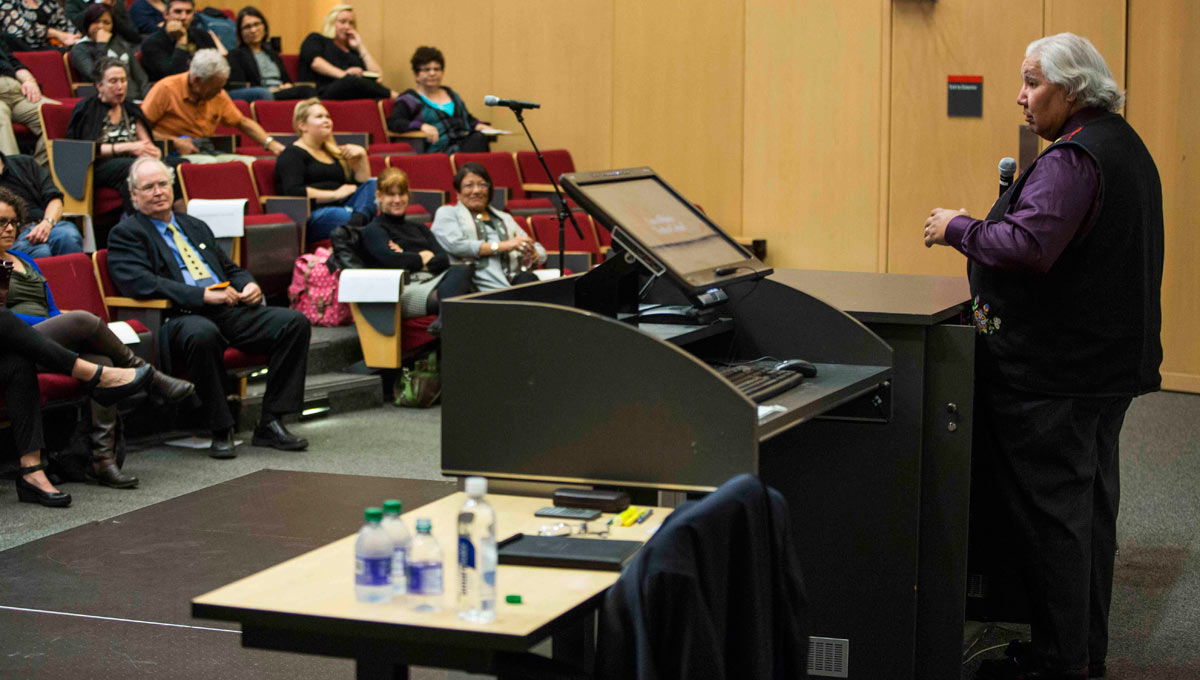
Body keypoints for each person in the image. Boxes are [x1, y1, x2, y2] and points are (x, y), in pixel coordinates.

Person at [922, 33, 1163, 680]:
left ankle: (1061, 662)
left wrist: (959, 229)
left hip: (1056, 377)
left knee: (1053, 525)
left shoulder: (1072, 160)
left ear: (1073, 86)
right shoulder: (1125, 147)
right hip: (1104, 371)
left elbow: (1028, 246)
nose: (1021, 97)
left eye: (1032, 82)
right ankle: (1081, 654)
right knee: (1087, 519)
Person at [106, 157, 312, 458]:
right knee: (203, 333)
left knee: (294, 323)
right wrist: (200, 296)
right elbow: (139, 283)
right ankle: (219, 426)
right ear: (134, 196)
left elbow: (230, 269)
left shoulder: (193, 225)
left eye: (163, 184)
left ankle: (271, 421)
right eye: (148, 187)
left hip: (226, 308)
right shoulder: (127, 233)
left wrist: (248, 284)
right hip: (178, 316)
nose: (158, 192)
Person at [1, 187, 195, 490]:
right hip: (17, 346)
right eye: (1, 222)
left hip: (47, 340)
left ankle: (101, 461)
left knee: (101, 359)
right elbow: (5, 320)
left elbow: (50, 307)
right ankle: (151, 377)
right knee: (82, 319)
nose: (9, 229)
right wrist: (60, 324)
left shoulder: (25, 259)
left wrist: (58, 323)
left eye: (13, 222)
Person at [66, 57, 186, 218]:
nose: (120, 87)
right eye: (113, 81)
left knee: (177, 165)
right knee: (130, 167)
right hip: (98, 166)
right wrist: (129, 147)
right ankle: (139, 222)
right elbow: (84, 149)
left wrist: (153, 153)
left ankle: (182, 219)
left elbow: (146, 144)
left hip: (132, 161)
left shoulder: (130, 108)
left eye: (123, 81)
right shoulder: (88, 109)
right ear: (99, 85)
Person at [360, 167, 474, 333]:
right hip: (405, 289)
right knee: (466, 297)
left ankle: (444, 320)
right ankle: (446, 321)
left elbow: (442, 259)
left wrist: (407, 257)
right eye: (391, 195)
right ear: (379, 197)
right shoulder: (374, 229)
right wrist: (422, 257)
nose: (397, 200)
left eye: (402, 194)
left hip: (436, 282)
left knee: (462, 270)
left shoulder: (419, 227)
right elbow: (391, 261)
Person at [141, 49, 285, 164]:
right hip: (172, 154)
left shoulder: (218, 94)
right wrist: (174, 141)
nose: (219, 92)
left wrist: (271, 144)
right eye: (215, 88)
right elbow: (140, 128)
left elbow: (242, 122)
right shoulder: (166, 88)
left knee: (249, 164)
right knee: (210, 164)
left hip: (205, 150)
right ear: (197, 81)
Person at [275, 98, 374, 244]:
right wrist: (334, 195)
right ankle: (360, 224)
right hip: (314, 214)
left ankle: (356, 223)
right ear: (302, 125)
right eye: (319, 117)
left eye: (328, 116)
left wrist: (362, 156)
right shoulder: (292, 154)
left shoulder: (332, 153)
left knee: (375, 183)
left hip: (347, 208)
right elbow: (294, 191)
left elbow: (361, 185)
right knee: (340, 214)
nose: (326, 120)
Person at [432, 162, 545, 291]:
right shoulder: (448, 213)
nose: (477, 191)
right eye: (469, 185)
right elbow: (456, 245)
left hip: (512, 280)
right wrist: (503, 245)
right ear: (458, 192)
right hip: (471, 285)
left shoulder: (504, 218)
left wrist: (533, 253)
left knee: (531, 281)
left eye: (482, 185)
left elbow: (538, 249)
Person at [387, 46, 490, 155]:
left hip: (465, 142)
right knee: (478, 141)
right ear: (416, 75)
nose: (432, 73)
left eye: (437, 69)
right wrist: (421, 126)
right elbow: (394, 122)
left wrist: (478, 125)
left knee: (480, 138)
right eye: (427, 70)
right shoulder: (410, 98)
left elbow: (467, 119)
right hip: (438, 150)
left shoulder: (451, 94)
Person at [297, 4, 396, 101]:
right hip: (323, 90)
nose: (347, 27)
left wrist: (360, 47)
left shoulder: (353, 50)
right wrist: (345, 75)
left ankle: (403, 97)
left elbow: (378, 76)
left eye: (351, 23)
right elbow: (316, 63)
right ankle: (395, 96)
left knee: (355, 83)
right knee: (350, 81)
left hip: (353, 91)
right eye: (342, 22)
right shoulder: (317, 39)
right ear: (331, 22)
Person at [0, 151, 83, 257]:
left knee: (68, 236)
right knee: (41, 252)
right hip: (13, 234)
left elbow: (55, 198)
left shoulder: (25, 163)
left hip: (47, 223)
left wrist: (47, 223)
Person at [227, 6, 315, 101]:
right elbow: (240, 86)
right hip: (261, 93)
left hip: (280, 91)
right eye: (247, 27)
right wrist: (268, 90)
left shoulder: (273, 54)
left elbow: (287, 80)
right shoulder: (236, 55)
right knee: (265, 93)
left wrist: (287, 85)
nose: (253, 30)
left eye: (256, 24)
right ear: (240, 32)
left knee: (309, 90)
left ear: (264, 26)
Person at [69, 3, 151, 101]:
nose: (101, 26)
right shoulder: (80, 49)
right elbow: (95, 75)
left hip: (135, 99)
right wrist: (101, 45)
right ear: (87, 23)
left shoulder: (121, 45)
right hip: (104, 101)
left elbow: (141, 78)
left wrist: (148, 99)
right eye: (96, 21)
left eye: (106, 23)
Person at [139, 0, 219, 82]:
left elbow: (217, 67)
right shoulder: (151, 43)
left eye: (188, 12)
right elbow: (173, 77)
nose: (183, 17)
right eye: (178, 12)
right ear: (166, 14)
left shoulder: (202, 36)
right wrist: (181, 41)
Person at [0, 40, 46, 167]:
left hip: (18, 91)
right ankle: (13, 182)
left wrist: (29, 80)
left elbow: (14, 63)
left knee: (57, 116)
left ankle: (37, 175)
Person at [0, 0, 81, 51]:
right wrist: (57, 34)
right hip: (27, 48)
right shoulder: (6, 3)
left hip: (54, 45)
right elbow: (23, 29)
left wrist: (76, 37)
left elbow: (63, 22)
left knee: (81, 48)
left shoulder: (46, 2)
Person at [66, 0, 140, 46]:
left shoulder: (116, 3)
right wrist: (99, 5)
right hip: (90, 45)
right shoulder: (73, 2)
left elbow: (134, 35)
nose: (101, 26)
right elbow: (78, 24)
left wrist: (111, 8)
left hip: (120, 43)